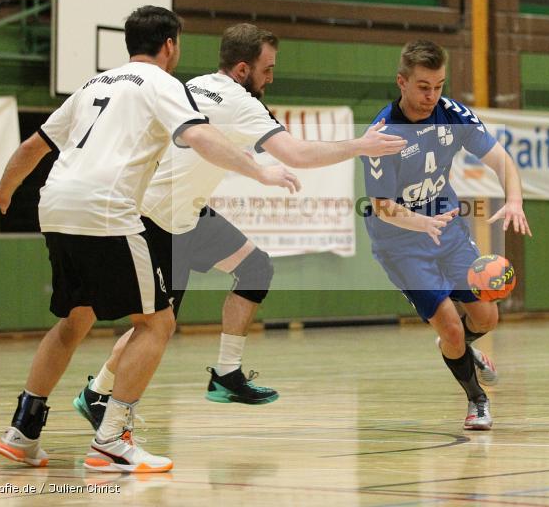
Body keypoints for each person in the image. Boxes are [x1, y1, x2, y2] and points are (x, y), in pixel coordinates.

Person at [0, 6, 299, 474]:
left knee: (73, 319)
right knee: (156, 324)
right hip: (106, 210)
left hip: (56, 204)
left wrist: (5, 191)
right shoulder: (165, 85)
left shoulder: (94, 83)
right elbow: (202, 138)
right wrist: (260, 170)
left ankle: (23, 430)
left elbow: (32, 147)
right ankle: (111, 439)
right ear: (170, 45)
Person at [71, 22, 407, 428]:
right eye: (268, 69)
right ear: (244, 69)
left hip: (186, 213)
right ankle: (98, 393)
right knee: (157, 325)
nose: (272, 77)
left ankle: (227, 375)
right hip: (156, 219)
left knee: (254, 267)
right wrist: (360, 145)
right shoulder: (241, 102)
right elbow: (296, 154)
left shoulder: (196, 83)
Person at [361, 39, 530, 431]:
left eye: (438, 86)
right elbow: (383, 205)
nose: (431, 95)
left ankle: (460, 351)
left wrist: (516, 200)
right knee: (452, 327)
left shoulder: (453, 115)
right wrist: (421, 223)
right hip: (400, 244)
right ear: (401, 82)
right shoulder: (382, 135)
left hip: (448, 231)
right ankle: (477, 400)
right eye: (423, 86)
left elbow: (500, 159)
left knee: (487, 317)